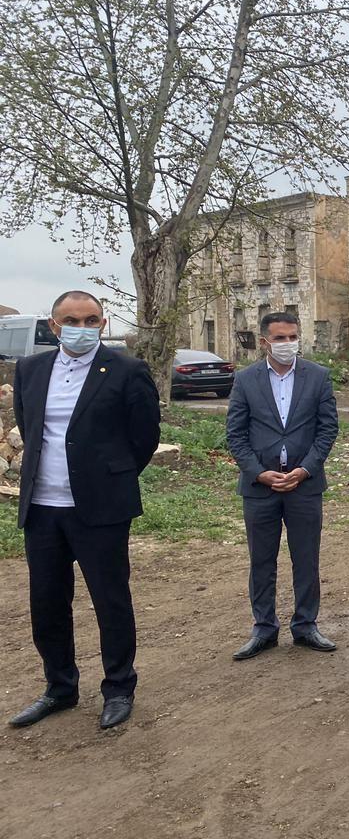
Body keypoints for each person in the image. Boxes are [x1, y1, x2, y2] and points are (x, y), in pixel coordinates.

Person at [8, 290, 160, 730]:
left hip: (101, 509)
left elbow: (144, 437)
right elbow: (28, 425)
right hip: (42, 509)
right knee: (47, 603)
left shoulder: (128, 370)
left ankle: (118, 688)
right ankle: (59, 688)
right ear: (55, 326)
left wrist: (110, 477)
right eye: (72, 320)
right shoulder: (31, 370)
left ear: (103, 324)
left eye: (91, 320)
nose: (82, 328)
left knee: (110, 601)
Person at [226, 312, 340, 661]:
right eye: (279, 338)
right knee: (262, 561)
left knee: (306, 559)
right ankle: (264, 628)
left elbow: (327, 429)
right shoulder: (245, 380)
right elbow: (236, 433)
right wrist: (258, 472)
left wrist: (306, 469)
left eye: (292, 336)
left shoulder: (318, 377)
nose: (288, 343)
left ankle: (305, 625)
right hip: (260, 487)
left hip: (304, 486)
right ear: (264, 342)